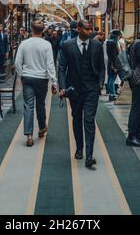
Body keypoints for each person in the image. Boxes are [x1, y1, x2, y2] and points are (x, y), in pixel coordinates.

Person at [58, 20, 105, 169]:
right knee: (76, 118)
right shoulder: (67, 45)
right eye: (86, 29)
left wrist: (100, 84)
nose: (90, 31)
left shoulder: (97, 45)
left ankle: (89, 156)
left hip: (91, 89)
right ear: (78, 29)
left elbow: (101, 67)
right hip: (74, 90)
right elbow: (62, 68)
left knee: (89, 120)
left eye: (91, 29)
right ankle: (79, 148)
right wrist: (63, 87)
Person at [15, 21, 58, 147]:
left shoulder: (24, 44)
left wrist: (22, 74)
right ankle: (41, 128)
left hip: (27, 77)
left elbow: (17, 62)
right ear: (43, 30)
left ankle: (29, 134)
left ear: (31, 30)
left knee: (28, 105)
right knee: (40, 104)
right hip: (41, 79)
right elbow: (50, 64)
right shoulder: (46, 45)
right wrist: (54, 81)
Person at [106, 30, 122, 102]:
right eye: (119, 36)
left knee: (110, 78)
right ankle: (112, 95)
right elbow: (114, 56)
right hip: (113, 63)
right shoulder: (113, 43)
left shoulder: (109, 42)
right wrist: (115, 66)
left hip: (110, 63)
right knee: (112, 79)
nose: (119, 38)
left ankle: (111, 94)